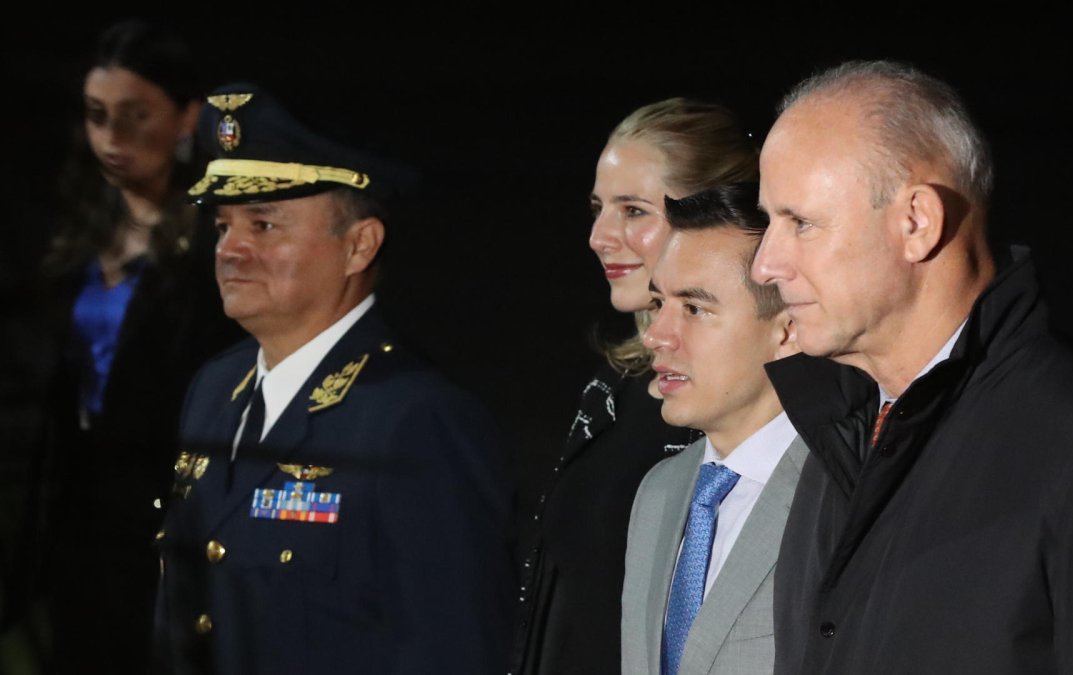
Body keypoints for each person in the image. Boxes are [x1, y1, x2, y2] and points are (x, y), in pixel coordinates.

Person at [751, 59, 1073, 673]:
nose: (765, 265)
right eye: (769, 222)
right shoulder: (840, 440)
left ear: (917, 222)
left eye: (799, 222)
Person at [153, 83, 513, 674]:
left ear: (359, 246)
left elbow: (454, 649)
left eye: (264, 225)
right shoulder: (214, 394)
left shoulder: (418, 421)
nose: (230, 250)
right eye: (223, 227)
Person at [511, 99, 759, 675]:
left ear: (710, 213)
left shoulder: (739, 402)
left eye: (633, 210)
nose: (600, 236)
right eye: (599, 208)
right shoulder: (616, 385)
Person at [23, 19, 236, 673]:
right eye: (96, 115)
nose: (111, 139)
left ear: (185, 119)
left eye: (135, 115)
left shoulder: (218, 244)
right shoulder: (77, 230)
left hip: (163, 534)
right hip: (75, 526)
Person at [621, 183, 805, 675]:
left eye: (695, 308)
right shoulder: (659, 491)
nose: (656, 335)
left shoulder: (839, 494)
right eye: (659, 303)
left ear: (786, 330)